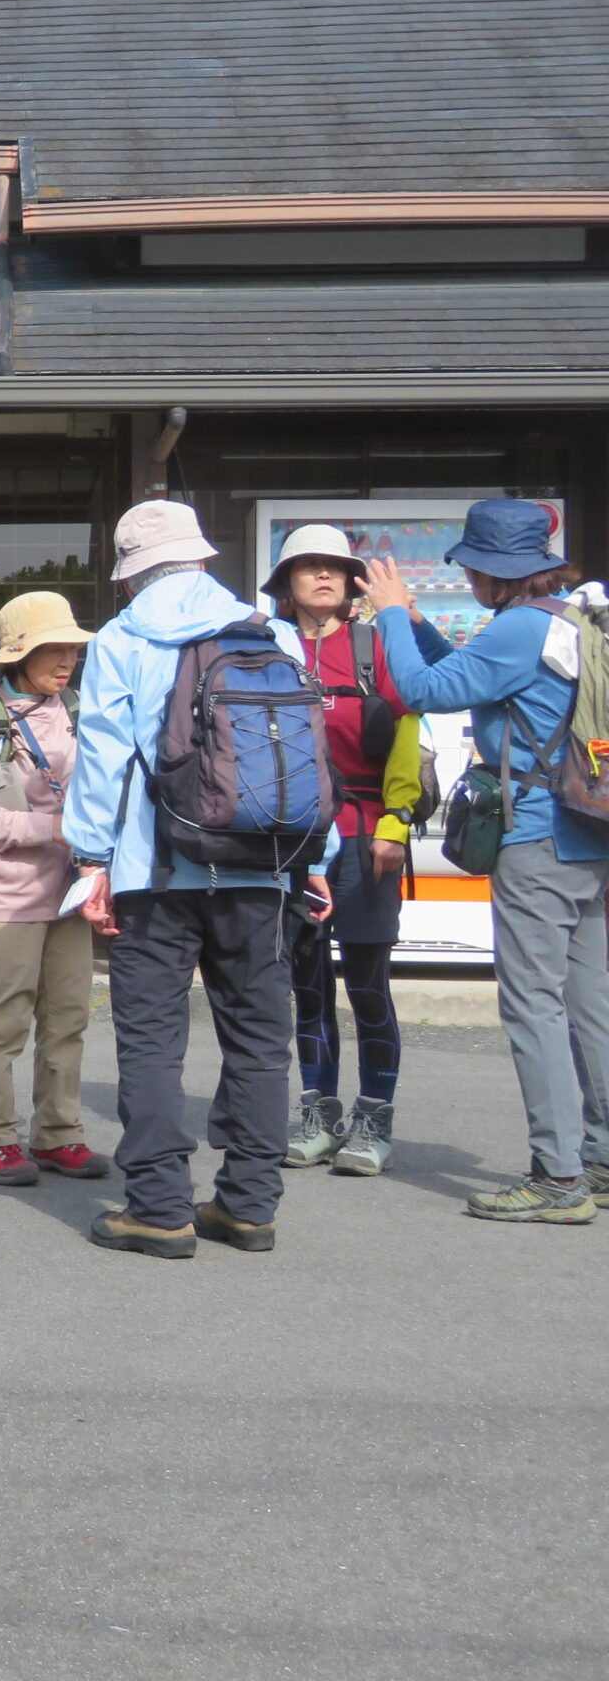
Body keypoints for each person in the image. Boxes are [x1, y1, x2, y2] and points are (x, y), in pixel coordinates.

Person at [62, 500, 335, 1259]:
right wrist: (316, 859)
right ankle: (249, 1206)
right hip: (266, 868)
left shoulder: (122, 639)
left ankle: (159, 1208)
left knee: (153, 1040)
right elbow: (305, 754)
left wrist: (91, 861)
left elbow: (103, 759)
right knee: (259, 1038)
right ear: (204, 559)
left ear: (133, 574)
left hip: (155, 872)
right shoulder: (273, 633)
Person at [362, 501, 609, 1224]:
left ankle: (557, 1178)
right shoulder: (571, 619)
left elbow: (421, 690)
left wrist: (391, 615)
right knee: (591, 1005)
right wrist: (418, 625)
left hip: (536, 837)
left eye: (472, 568)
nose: (468, 579)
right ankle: (599, 1159)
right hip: (589, 833)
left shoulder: (519, 627)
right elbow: (472, 673)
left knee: (533, 1006)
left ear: (494, 572)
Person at [265, 525, 426, 1177]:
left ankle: (374, 1118)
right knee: (307, 985)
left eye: (335, 566)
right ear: (287, 581)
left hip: (365, 833)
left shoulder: (374, 644)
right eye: (308, 566)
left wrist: (397, 822)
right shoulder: (269, 646)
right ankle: (319, 1114)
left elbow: (409, 730)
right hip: (296, 840)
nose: (324, 575)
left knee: (366, 984)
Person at [0, 591, 106, 1187]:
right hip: (3, 902)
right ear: (18, 653)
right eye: (52, 648)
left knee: (67, 1021)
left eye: (72, 649)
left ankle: (58, 1134)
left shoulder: (81, 711)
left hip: (71, 896)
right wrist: (50, 828)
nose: (66, 660)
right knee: (4, 1025)